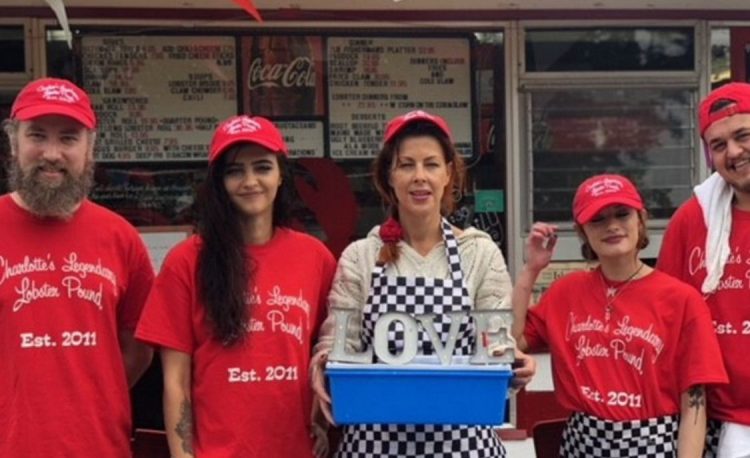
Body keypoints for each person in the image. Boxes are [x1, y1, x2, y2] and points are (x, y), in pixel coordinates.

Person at [310, 110, 536, 458]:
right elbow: (337, 341)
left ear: (449, 173)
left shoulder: (479, 252)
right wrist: (325, 362)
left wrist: (511, 361)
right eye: (406, 165)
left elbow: (495, 341)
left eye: (431, 164)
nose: (419, 177)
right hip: (376, 443)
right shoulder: (360, 256)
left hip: (465, 442)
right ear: (389, 175)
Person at [135, 114, 336, 458]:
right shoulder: (186, 261)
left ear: (280, 174)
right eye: (234, 171)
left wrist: (318, 417)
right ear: (218, 183)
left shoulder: (315, 257)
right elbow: (176, 380)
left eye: (262, 167)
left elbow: (329, 352)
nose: (250, 181)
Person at [512, 173, 728, 457]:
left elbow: (695, 404)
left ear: (640, 220)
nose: (612, 226)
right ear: (582, 231)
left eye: (622, 214)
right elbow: (511, 342)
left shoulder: (681, 300)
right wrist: (530, 270)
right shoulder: (565, 292)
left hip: (654, 442)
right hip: (583, 442)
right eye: (598, 219)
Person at [0, 77, 155, 456]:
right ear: (12, 141)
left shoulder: (122, 238)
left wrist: (91, 390)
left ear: (90, 149)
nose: (52, 153)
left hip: (100, 446)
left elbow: (137, 348)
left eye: (68, 138)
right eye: (37, 135)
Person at [658, 82, 750, 458]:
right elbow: (665, 322)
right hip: (717, 423)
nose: (734, 152)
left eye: (743, 136)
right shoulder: (692, 219)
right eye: (718, 145)